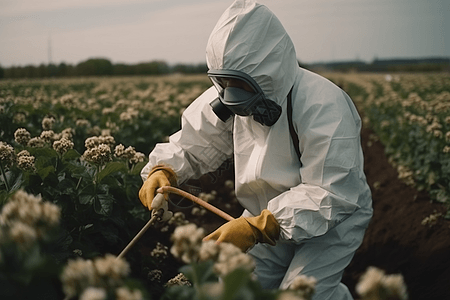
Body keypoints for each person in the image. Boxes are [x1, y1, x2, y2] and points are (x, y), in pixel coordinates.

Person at [139, 0, 373, 299]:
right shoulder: (226, 97)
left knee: (302, 292)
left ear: (268, 72)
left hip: (332, 221)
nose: (228, 93)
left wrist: (260, 226)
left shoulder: (323, 104)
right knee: (238, 289)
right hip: (264, 215)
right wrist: (164, 170)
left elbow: (330, 193)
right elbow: (194, 143)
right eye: (221, 81)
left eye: (237, 82)